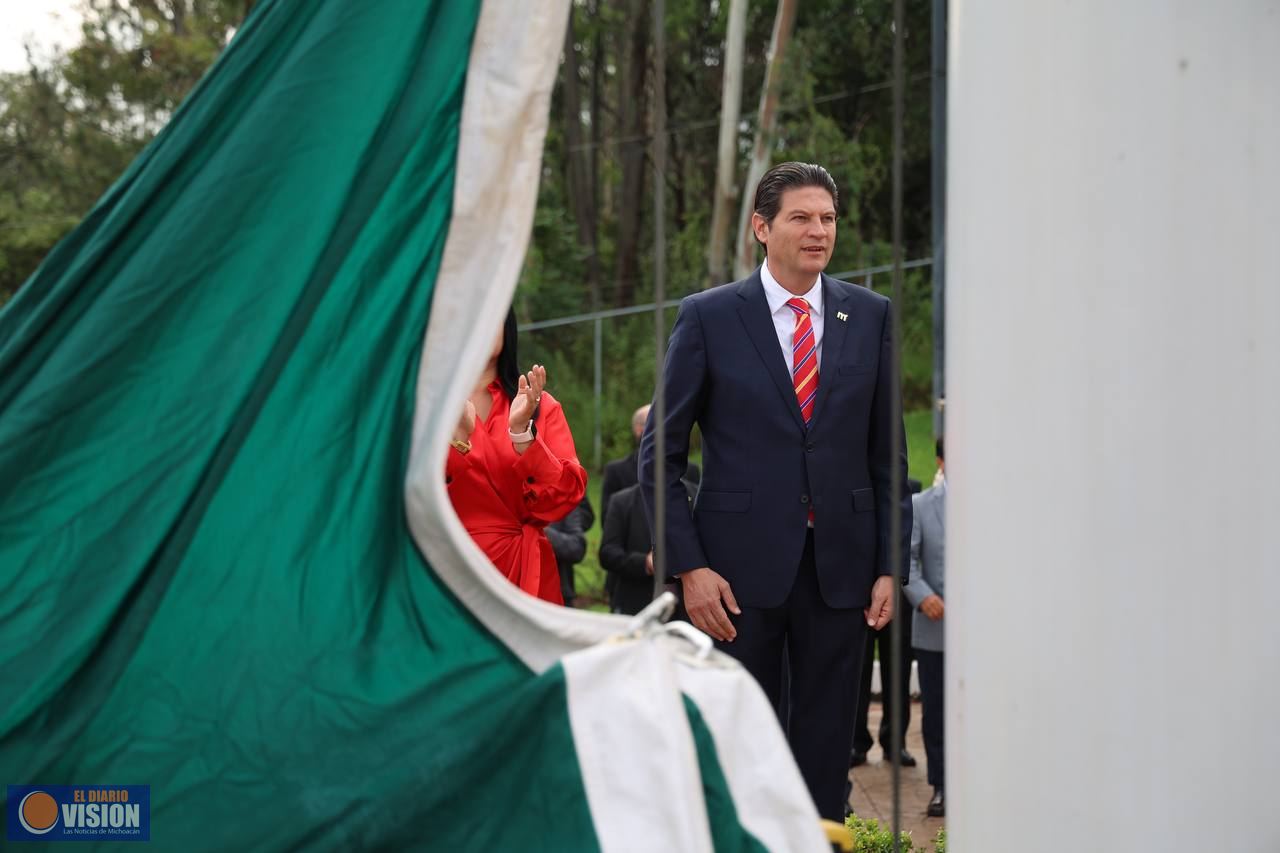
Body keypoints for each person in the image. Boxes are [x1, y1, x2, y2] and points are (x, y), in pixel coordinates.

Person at [639, 161, 911, 820]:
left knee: (824, 757)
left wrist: (888, 566)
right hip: (733, 582)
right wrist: (691, 566)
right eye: (801, 217)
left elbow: (888, 458)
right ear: (762, 227)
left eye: (827, 218)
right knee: (737, 748)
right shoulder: (708, 318)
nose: (818, 231)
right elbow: (660, 455)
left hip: (840, 574)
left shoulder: (870, 316)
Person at [447, 309, 587, 604]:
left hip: (524, 577)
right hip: (447, 569)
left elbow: (562, 499)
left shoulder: (539, 406)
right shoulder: (424, 405)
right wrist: (458, 437)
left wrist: (522, 434)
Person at [850, 476, 923, 769]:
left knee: (898, 670)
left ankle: (896, 741)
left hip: (897, 597)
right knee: (858, 671)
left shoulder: (911, 492)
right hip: (856, 594)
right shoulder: (852, 488)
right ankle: (857, 741)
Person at [904, 437, 946, 817]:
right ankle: (941, 787)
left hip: (982, 636)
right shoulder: (921, 505)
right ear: (941, 461)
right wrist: (922, 595)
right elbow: (908, 558)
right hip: (934, 629)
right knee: (935, 711)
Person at [598, 473, 695, 615]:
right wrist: (646, 562)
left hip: (689, 608)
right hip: (635, 605)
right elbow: (607, 553)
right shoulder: (622, 501)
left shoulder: (697, 497)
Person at [546, 495, 595, 607]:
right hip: (513, 595)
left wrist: (544, 534)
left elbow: (577, 547)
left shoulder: (563, 497)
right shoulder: (507, 495)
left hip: (558, 596)